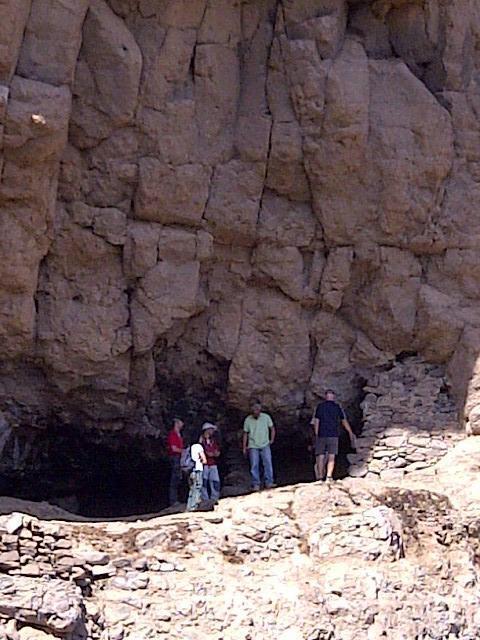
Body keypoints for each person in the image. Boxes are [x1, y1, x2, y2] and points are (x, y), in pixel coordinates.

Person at [313, 389, 356, 482]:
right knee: (332, 456)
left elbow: (316, 421)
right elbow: (343, 421)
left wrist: (316, 434)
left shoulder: (320, 407)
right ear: (333, 397)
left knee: (321, 456)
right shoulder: (337, 407)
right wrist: (350, 432)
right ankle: (329, 477)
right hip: (333, 435)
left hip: (321, 434)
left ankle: (320, 477)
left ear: (326, 397)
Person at [242, 399, 276, 491]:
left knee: (268, 463)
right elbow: (245, 434)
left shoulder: (266, 417)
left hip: (265, 444)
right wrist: (244, 447)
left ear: (260, 408)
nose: (256, 411)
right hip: (253, 445)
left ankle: (269, 482)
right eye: (254, 409)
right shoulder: (248, 420)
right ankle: (256, 484)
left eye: (257, 409)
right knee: (254, 465)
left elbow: (272, 428)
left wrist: (271, 439)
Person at [200, 423, 221, 503]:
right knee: (204, 482)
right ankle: (205, 499)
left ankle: (214, 498)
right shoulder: (201, 440)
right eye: (211, 429)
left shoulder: (213, 440)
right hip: (204, 465)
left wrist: (215, 453)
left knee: (215, 481)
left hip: (213, 464)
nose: (212, 431)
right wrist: (211, 453)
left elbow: (217, 451)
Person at [186, 437, 207, 512]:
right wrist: (202, 460)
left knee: (192, 489)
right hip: (198, 469)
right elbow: (204, 460)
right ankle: (194, 506)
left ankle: (189, 506)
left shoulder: (189, 447)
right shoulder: (198, 447)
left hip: (190, 470)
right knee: (198, 487)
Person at [167, 418, 184, 505]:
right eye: (181, 422)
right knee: (174, 479)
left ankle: (176, 499)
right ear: (176, 423)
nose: (182, 424)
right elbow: (173, 448)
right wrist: (184, 451)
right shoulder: (172, 434)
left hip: (179, 458)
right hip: (175, 458)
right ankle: (173, 501)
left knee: (178, 479)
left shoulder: (179, 434)